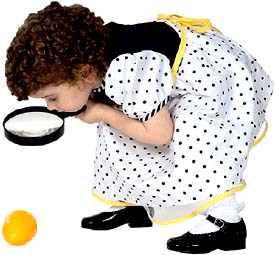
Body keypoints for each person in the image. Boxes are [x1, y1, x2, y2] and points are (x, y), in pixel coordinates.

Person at [5, 1, 274, 253]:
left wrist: (101, 112)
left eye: (53, 98)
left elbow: (160, 134)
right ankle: (135, 204)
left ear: (85, 73)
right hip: (173, 76)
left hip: (216, 80)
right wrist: (104, 113)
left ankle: (227, 222)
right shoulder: (91, 60)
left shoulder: (126, 69)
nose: (51, 107)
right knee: (117, 121)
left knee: (194, 133)